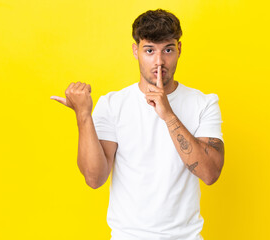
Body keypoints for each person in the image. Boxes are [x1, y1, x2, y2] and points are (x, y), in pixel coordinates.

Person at [50, 9, 224, 240]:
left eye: (168, 50)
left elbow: (210, 173)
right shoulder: (113, 104)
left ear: (179, 50)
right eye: (150, 50)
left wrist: (168, 115)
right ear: (136, 51)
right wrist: (83, 116)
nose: (159, 61)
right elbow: (94, 179)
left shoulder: (204, 103)